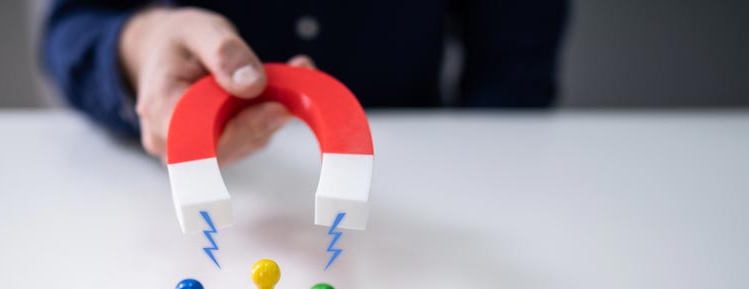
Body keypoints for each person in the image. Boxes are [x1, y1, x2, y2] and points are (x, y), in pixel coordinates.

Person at [43, 1, 569, 164]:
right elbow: (70, 26)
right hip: (162, 185)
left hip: (424, 173)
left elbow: (515, 67)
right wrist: (142, 44)